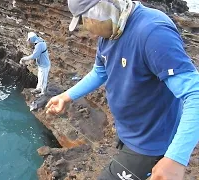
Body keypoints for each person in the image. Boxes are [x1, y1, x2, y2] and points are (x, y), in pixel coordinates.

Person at [45, 0, 199, 179]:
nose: (88, 30)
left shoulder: (153, 33)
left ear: (105, 9)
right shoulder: (110, 33)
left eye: (86, 20)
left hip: (150, 143)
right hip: (129, 133)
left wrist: (176, 159)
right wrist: (66, 96)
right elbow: (99, 71)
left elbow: (194, 94)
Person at [20, 32, 51, 97]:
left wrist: (24, 59)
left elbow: (34, 55)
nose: (29, 41)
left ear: (32, 38)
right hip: (41, 64)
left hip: (44, 65)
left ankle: (42, 93)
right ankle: (38, 88)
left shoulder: (39, 45)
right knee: (40, 77)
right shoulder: (39, 41)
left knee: (43, 79)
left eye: (29, 39)